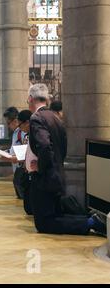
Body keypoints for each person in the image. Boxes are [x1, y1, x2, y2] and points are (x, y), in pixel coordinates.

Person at [26, 84, 106, 236]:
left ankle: (91, 222)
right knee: (56, 215)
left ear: (30, 99)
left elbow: (44, 146)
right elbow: (62, 148)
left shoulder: (37, 118)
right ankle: (89, 219)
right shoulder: (55, 118)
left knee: (45, 223)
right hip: (57, 175)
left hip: (45, 178)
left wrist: (40, 167)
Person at [2, 106, 25, 173]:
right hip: (16, 168)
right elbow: (15, 148)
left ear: (15, 121)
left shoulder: (22, 132)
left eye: (8, 123)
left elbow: (25, 152)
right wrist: (6, 152)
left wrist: (11, 157)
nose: (8, 126)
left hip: (22, 168)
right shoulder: (15, 132)